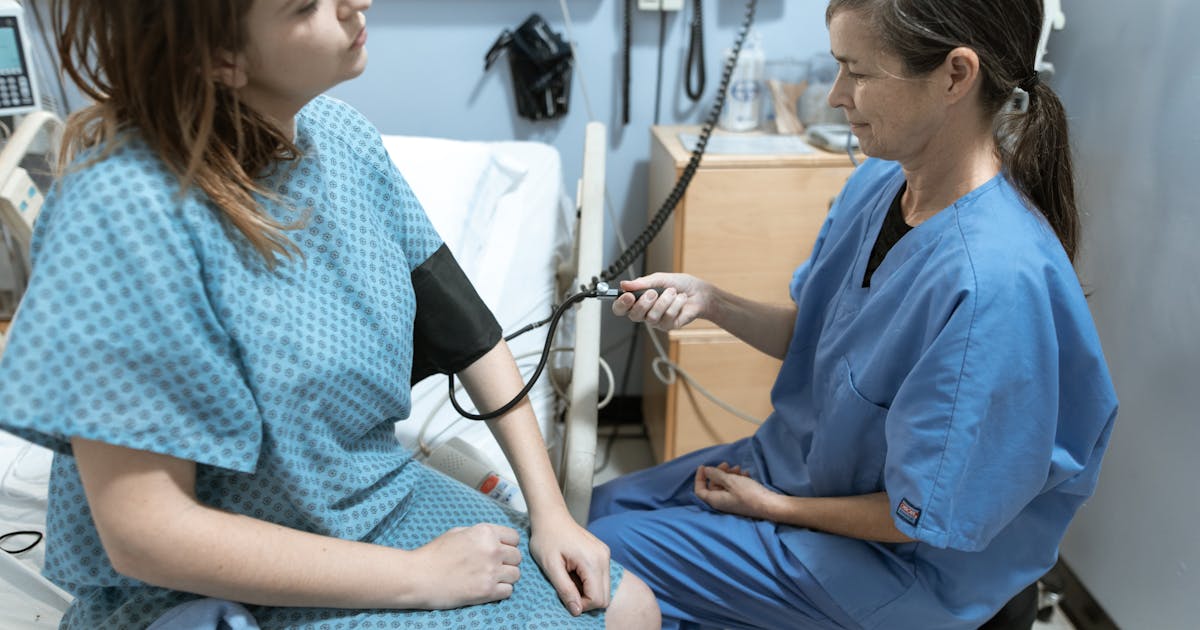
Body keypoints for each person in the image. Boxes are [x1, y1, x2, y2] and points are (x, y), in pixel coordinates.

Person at [0, 1, 661, 628]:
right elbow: (146, 536)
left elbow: (470, 331)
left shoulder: (341, 139)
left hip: (370, 496)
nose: (357, 5)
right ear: (220, 57)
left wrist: (552, 513)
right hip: (215, 572)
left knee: (634, 610)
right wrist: (419, 577)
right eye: (305, 6)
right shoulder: (123, 213)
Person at [589, 0, 1118, 628]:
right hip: (799, 473)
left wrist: (773, 509)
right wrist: (710, 299)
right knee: (597, 509)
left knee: (598, 562)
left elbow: (921, 515)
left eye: (858, 73)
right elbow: (820, 338)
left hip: (896, 565)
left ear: (955, 75)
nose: (838, 95)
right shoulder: (880, 184)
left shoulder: (993, 289)